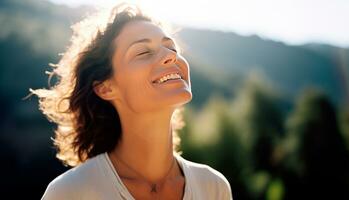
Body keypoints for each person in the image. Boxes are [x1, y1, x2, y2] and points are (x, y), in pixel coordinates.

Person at [33, 3, 232, 200]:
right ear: (106, 88)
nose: (171, 56)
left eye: (172, 47)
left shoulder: (214, 187)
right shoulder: (70, 192)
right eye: (143, 52)